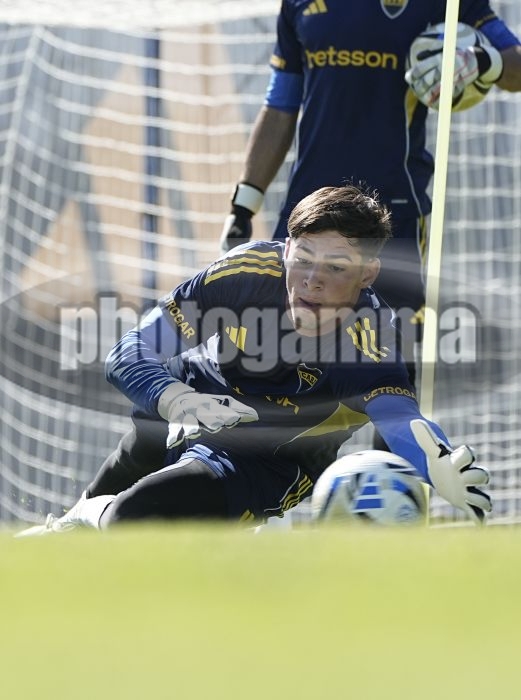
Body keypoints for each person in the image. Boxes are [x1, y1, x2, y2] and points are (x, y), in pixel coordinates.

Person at [16, 185, 490, 534]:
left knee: (131, 519)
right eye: (303, 258)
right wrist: (179, 400)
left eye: (336, 267)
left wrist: (435, 461)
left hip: (267, 460)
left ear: (368, 273)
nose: (312, 280)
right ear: (286, 250)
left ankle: (88, 518)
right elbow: (128, 352)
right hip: (185, 409)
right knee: (90, 533)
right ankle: (77, 522)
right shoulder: (244, 272)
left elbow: (399, 417)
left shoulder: (371, 337)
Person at [219, 0, 521, 439]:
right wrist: (244, 204)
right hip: (308, 215)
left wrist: (483, 61)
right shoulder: (297, 4)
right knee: (277, 360)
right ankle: (263, 476)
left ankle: (392, 479)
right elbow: (281, 102)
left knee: (392, 366)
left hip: (393, 214)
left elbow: (516, 64)